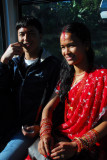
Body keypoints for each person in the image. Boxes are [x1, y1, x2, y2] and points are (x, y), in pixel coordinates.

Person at [36, 22, 107, 160]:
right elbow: (47, 109)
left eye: (71, 45)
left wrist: (77, 145)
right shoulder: (66, 79)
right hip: (63, 136)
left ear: (86, 45)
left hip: (89, 145)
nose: (66, 52)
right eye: (63, 47)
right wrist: (45, 134)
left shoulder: (102, 77)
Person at [0, 16, 60, 160]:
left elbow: (58, 103)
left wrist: (42, 127)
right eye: (22, 34)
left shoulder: (52, 65)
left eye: (31, 33)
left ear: (41, 36)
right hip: (8, 125)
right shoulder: (13, 63)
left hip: (30, 129)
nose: (26, 38)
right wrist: (3, 61)